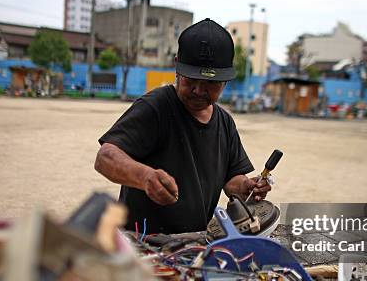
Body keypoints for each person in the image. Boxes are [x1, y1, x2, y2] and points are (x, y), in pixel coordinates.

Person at [95, 18, 271, 234]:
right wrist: (145, 177)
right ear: (177, 67)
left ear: (225, 80)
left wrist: (245, 187)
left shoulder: (224, 122)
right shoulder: (155, 107)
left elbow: (230, 180)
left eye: (210, 83)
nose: (198, 90)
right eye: (190, 80)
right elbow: (105, 157)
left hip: (192, 242)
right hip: (143, 242)